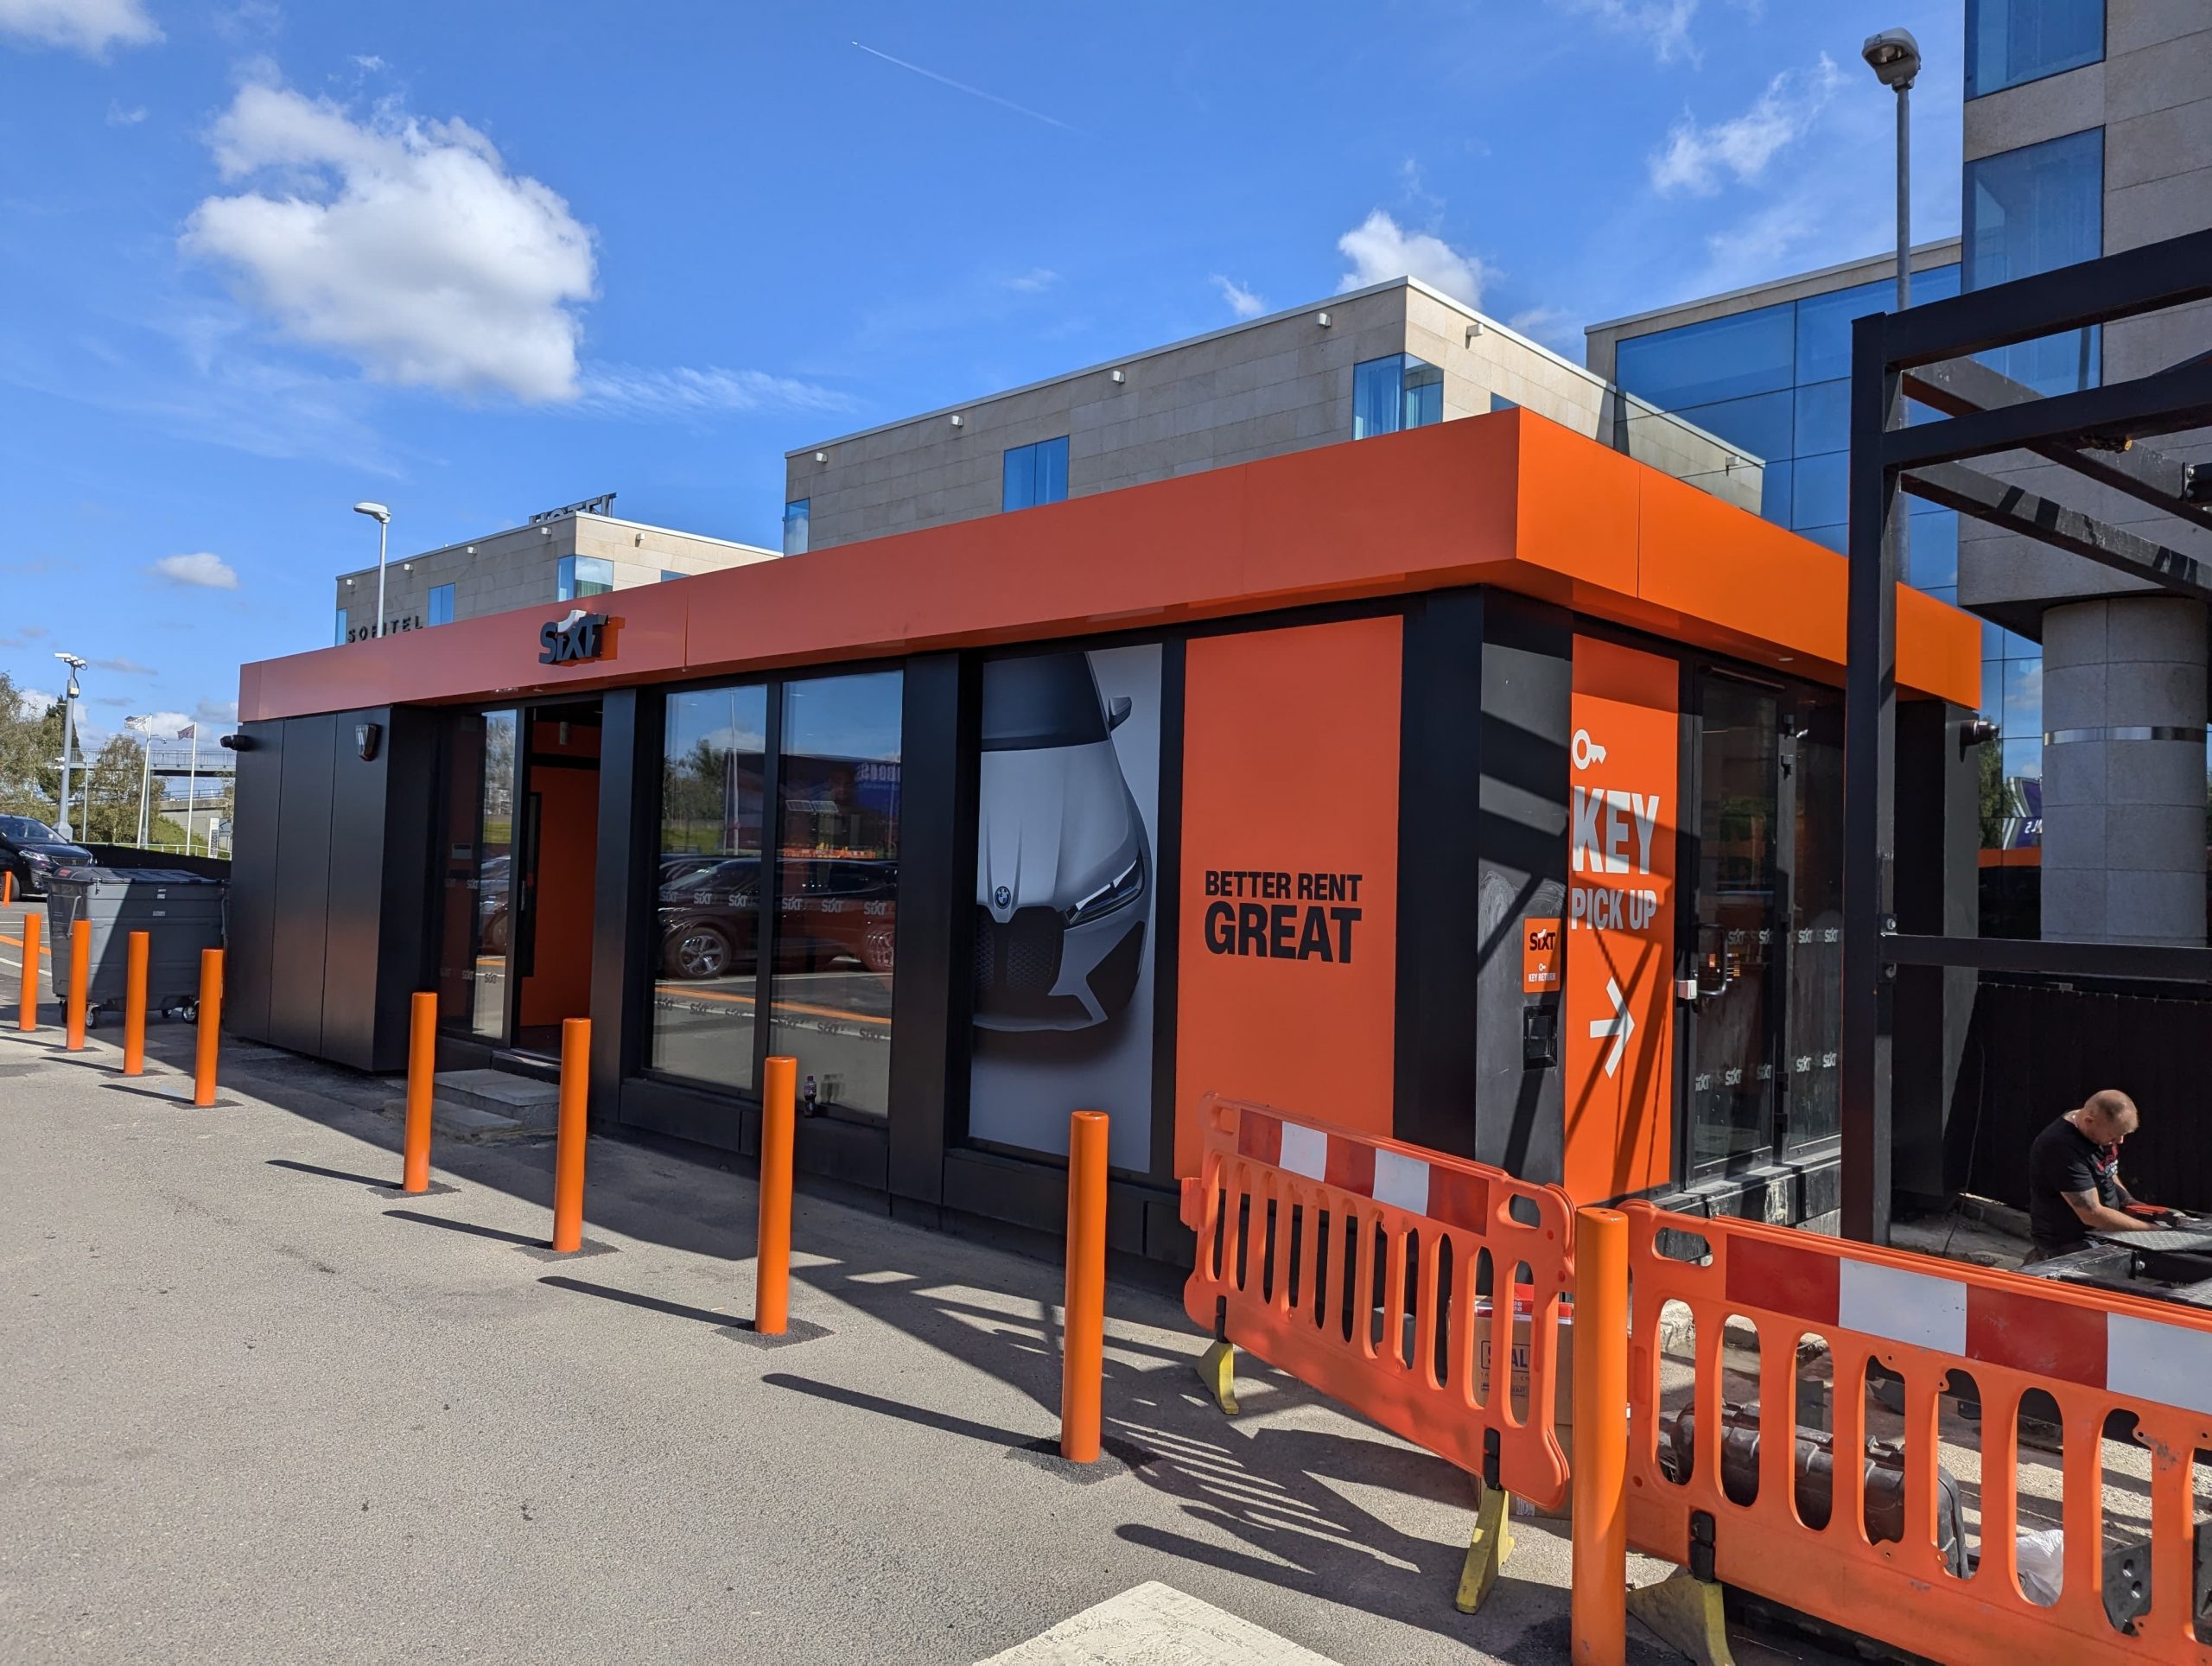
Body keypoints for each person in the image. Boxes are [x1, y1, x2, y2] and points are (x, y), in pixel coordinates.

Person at [2025, 1090, 2156, 1262]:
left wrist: (2127, 1200)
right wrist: (2151, 1231)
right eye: (2113, 1136)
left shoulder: (2097, 1132)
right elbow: (2090, 1212)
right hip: (2068, 1243)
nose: (2120, 1141)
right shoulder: (2060, 1147)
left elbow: (2107, 1171)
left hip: (2101, 1233)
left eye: (2122, 1135)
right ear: (2089, 1121)